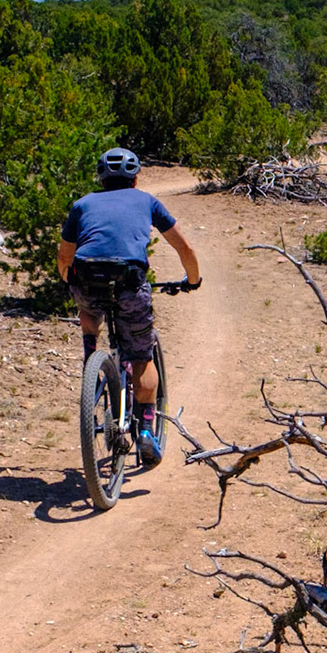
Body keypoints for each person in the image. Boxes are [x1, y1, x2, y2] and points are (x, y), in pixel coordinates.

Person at [57, 147, 202, 467]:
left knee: (86, 302)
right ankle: (147, 433)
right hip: (129, 284)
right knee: (141, 356)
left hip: (88, 281)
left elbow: (65, 259)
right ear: (136, 179)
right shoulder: (147, 201)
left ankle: (90, 354)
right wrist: (193, 280)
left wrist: (71, 283)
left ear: (101, 178)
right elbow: (185, 247)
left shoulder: (82, 204)